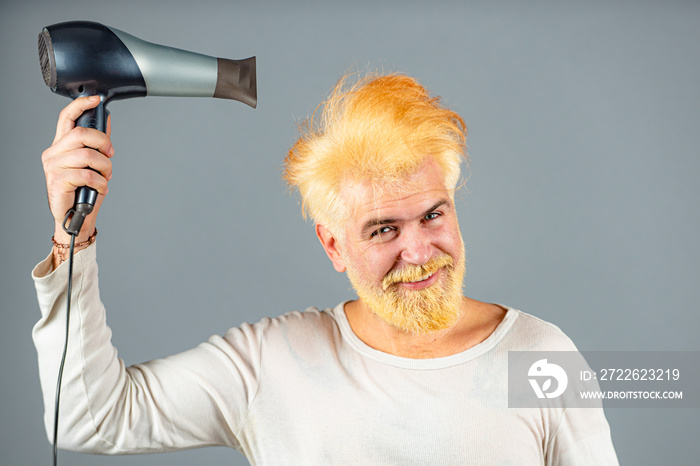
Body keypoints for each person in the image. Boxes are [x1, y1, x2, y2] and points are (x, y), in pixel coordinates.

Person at [33, 73, 618, 464]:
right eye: (384, 229)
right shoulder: (271, 363)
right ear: (333, 246)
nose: (418, 253)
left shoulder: (543, 358)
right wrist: (73, 241)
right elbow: (86, 418)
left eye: (433, 215)